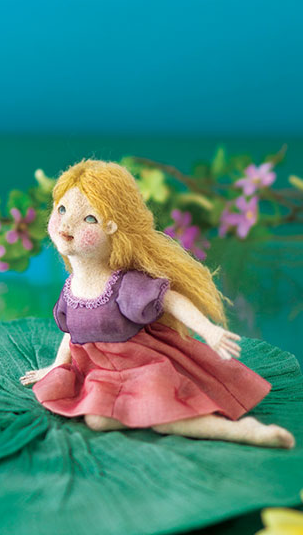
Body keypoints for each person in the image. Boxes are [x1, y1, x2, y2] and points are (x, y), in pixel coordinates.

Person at [20, 160, 295, 449]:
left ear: (112, 227)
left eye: (89, 218)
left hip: (138, 365)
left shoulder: (122, 283)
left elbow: (169, 298)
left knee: (163, 416)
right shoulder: (71, 287)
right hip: (100, 374)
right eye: (62, 209)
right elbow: (74, 333)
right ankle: (139, 410)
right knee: (98, 420)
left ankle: (240, 431)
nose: (65, 225)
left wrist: (208, 329)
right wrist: (58, 366)